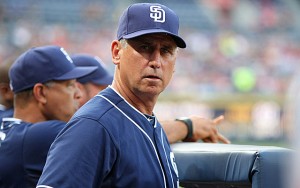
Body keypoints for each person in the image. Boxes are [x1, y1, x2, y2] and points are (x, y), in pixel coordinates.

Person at [37, 3, 188, 187]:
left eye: (166, 51)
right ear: (117, 52)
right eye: (145, 47)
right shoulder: (93, 125)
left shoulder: (147, 120)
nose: (156, 62)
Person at [72, 53, 230, 144]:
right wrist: (187, 126)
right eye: (100, 86)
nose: (107, 91)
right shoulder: (72, 129)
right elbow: (133, 137)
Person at [0, 45, 97, 187]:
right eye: (69, 85)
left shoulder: (13, 129)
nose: (79, 94)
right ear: (41, 93)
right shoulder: (42, 136)